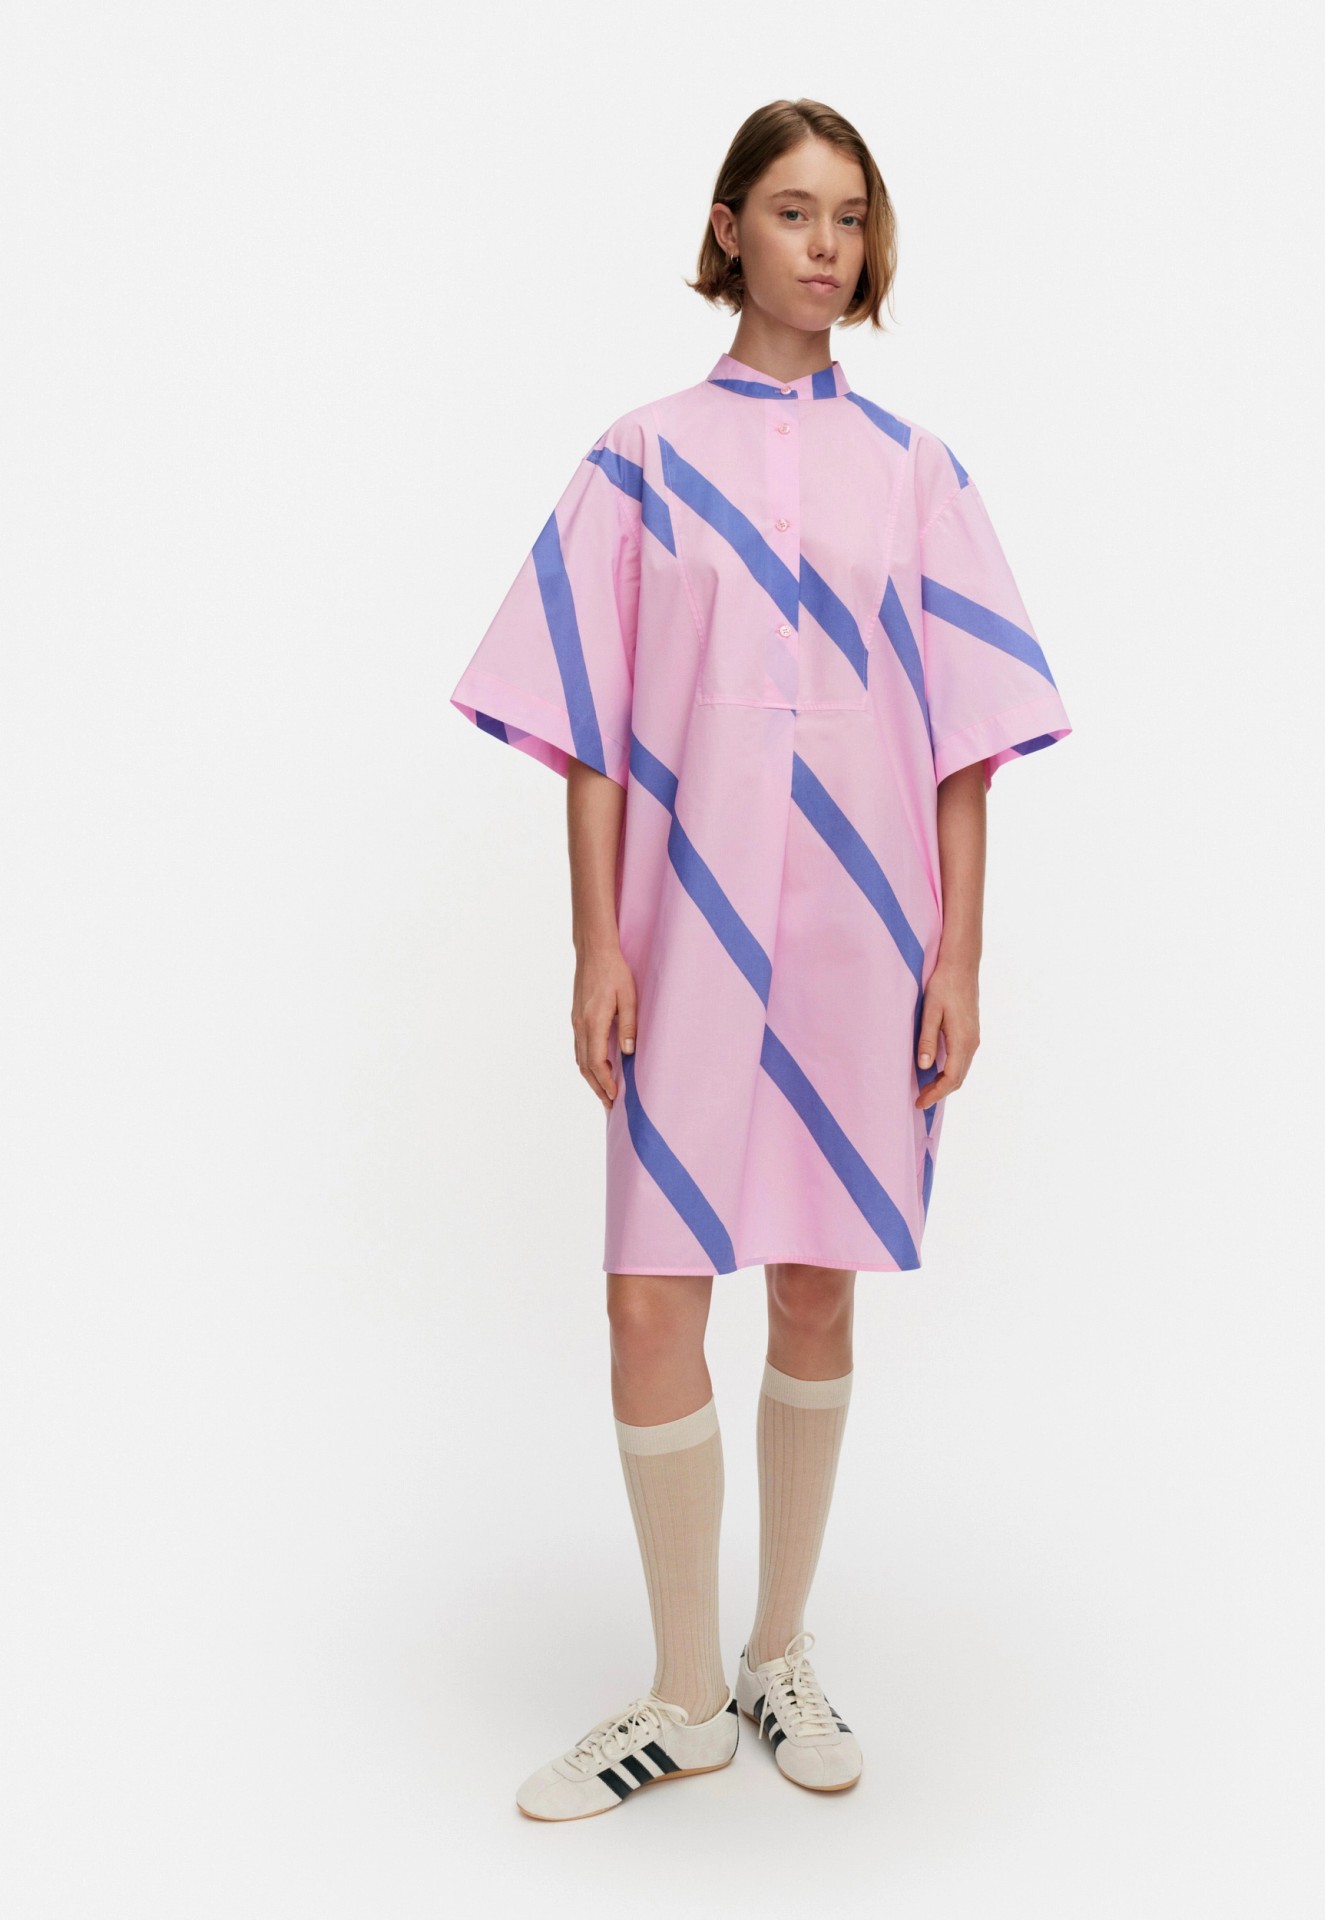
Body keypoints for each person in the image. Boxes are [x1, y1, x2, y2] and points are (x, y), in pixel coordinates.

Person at [448, 98, 1074, 1822]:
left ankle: (778, 1650)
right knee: (651, 1294)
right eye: (794, 211)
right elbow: (587, 726)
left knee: (813, 1280)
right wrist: (597, 941)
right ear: (727, 228)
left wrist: (960, 957)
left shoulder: (919, 474)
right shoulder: (639, 461)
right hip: (686, 921)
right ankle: (682, 1694)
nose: (826, 245)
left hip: (867, 935)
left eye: (851, 217)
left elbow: (967, 745)